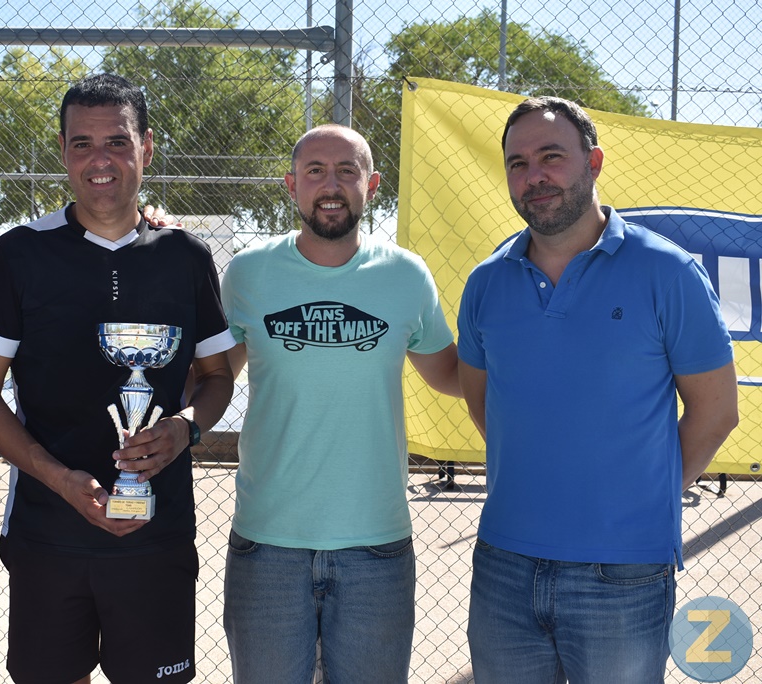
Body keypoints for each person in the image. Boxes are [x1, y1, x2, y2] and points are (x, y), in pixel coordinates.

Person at [0, 73, 235, 684]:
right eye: (81, 144)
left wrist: (185, 427)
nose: (99, 160)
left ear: (148, 148)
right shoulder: (19, 252)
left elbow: (217, 377)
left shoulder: (185, 256)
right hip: (47, 532)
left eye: (117, 141)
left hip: (156, 534)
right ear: (62, 151)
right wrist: (58, 478)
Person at [458, 96, 739, 683]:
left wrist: (640, 496)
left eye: (551, 156)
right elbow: (488, 405)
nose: (533, 175)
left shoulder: (668, 273)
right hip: (504, 568)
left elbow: (715, 412)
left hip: (625, 572)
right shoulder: (486, 283)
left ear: (595, 162)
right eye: (517, 162)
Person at [220, 124, 462, 683]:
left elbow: (449, 374)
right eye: (315, 172)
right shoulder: (247, 274)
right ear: (291, 186)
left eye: (346, 171)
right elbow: (210, 380)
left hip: (375, 548)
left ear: (372, 184)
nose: (331, 185)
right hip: (268, 546)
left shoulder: (406, 275)